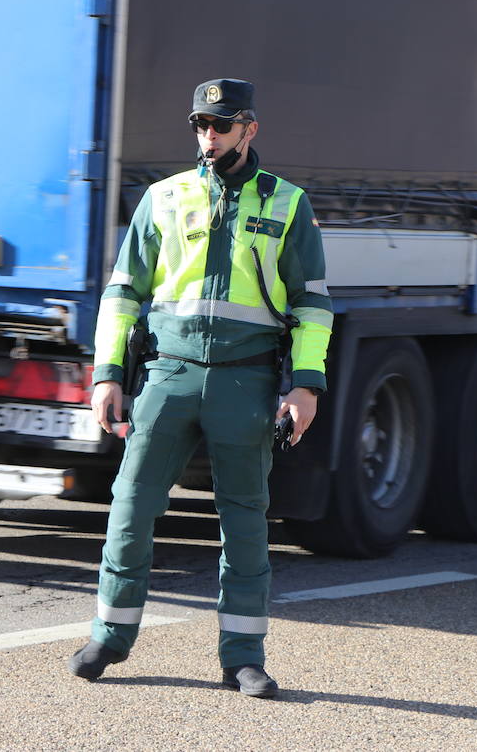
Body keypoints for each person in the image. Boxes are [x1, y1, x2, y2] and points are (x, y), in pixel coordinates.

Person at [68, 78, 332, 698]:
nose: (208, 137)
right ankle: (111, 634)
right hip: (168, 374)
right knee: (131, 506)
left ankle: (243, 657)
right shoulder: (164, 198)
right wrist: (108, 373)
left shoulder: (288, 204)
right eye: (200, 126)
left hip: (246, 380)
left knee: (244, 520)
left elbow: (312, 305)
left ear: (250, 129)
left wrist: (307, 387)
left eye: (220, 126)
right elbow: (123, 291)